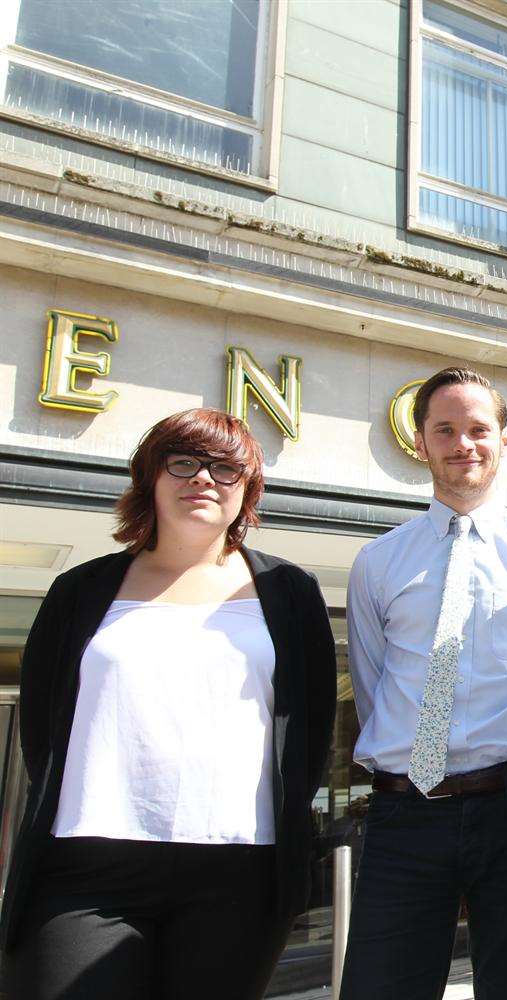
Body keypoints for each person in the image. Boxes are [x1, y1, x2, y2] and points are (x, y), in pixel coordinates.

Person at [0, 408, 337, 1000]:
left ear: (246, 491)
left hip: (239, 870)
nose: (203, 479)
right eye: (183, 462)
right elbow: (42, 721)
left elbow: (309, 728)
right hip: (86, 864)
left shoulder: (290, 593)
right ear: (150, 477)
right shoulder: (80, 589)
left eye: (226, 468)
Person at [340, 367, 507, 999]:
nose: (462, 443)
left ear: (504, 441)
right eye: (445, 430)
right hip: (404, 813)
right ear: (420, 442)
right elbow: (373, 681)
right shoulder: (378, 562)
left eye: (477, 429)